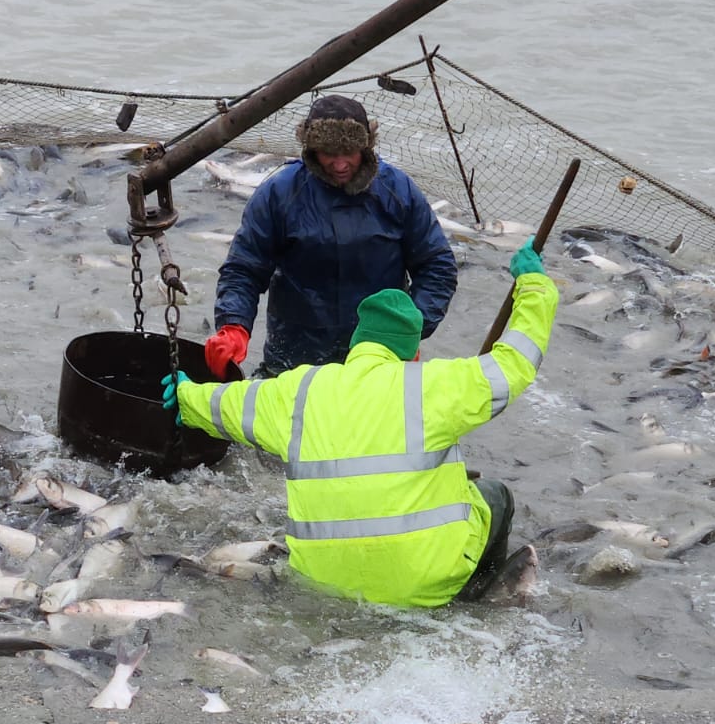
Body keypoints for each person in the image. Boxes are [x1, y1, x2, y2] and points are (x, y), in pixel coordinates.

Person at [167, 237, 557, 607]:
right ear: (414, 351)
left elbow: (223, 405)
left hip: (321, 582)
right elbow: (516, 359)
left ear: (357, 342)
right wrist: (534, 285)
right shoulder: (436, 384)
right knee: (495, 496)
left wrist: (185, 394)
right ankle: (474, 597)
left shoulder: (300, 390)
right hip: (423, 582)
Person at [205, 93, 458, 379]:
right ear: (311, 150)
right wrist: (234, 326)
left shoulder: (399, 191)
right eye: (328, 153)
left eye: (349, 152)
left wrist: (412, 326)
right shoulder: (278, 194)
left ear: (366, 147)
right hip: (294, 358)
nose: (340, 165)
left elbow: (437, 266)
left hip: (380, 354)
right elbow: (244, 270)